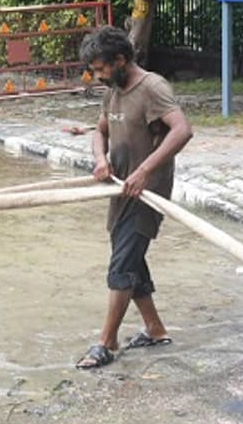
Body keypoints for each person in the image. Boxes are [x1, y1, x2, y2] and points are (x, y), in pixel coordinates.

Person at [74, 26, 193, 370]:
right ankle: (155, 330)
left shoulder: (152, 88)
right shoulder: (113, 90)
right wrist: (100, 159)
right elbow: (100, 130)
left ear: (121, 59)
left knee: (122, 264)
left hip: (147, 193)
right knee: (130, 257)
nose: (97, 76)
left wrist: (144, 172)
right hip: (120, 187)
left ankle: (106, 342)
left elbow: (182, 130)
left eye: (100, 69)